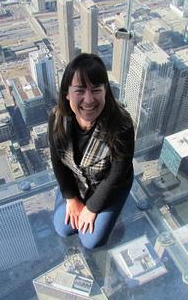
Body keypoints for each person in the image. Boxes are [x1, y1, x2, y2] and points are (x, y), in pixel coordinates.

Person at [48, 53, 134, 249]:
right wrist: (70, 197)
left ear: (105, 91)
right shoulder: (57, 118)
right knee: (63, 228)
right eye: (79, 90)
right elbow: (57, 159)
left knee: (91, 241)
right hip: (77, 181)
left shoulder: (121, 125)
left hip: (107, 182)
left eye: (96, 90)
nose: (88, 100)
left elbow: (118, 172)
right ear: (67, 93)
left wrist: (93, 207)